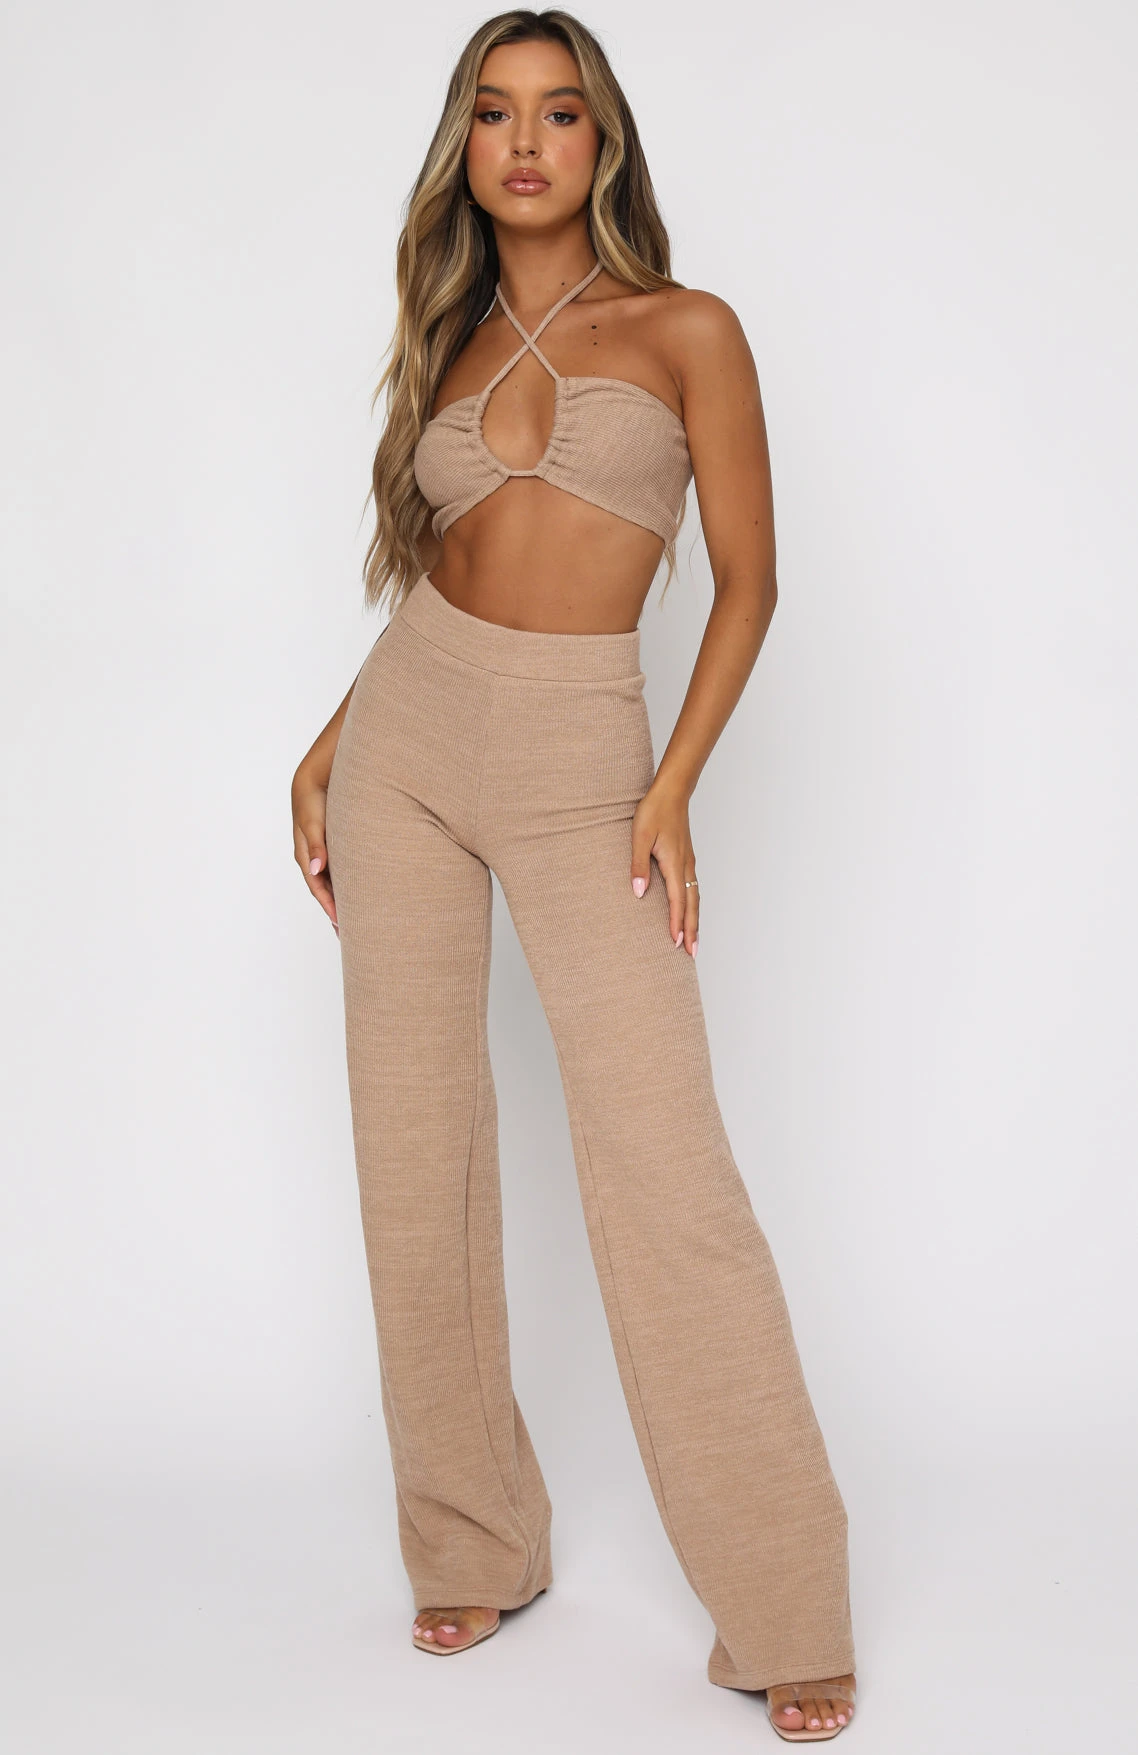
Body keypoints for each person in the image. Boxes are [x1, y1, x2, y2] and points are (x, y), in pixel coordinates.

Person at [290, 9, 858, 1742]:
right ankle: (474, 1538)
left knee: (661, 1167)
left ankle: (781, 1603)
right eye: (492, 113)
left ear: (602, 142)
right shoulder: (449, 332)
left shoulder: (686, 330)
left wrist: (669, 783)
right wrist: (333, 736)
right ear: (463, 148)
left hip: (583, 754)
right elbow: (438, 574)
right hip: (407, 739)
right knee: (415, 1150)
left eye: (557, 112)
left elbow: (750, 582)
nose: (524, 142)